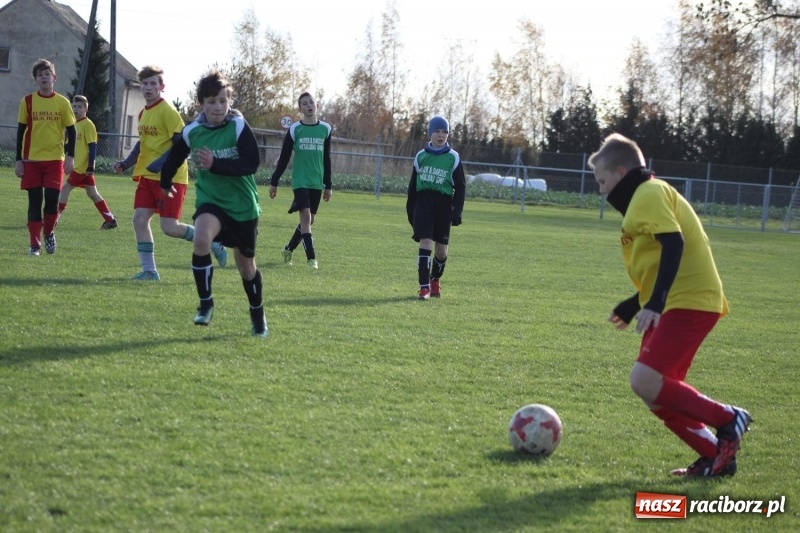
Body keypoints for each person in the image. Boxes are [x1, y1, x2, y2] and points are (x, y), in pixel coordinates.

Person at [588, 133, 752, 477]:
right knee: (655, 393)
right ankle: (715, 456)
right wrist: (637, 302)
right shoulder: (647, 194)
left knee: (644, 379)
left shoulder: (647, 192)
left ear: (621, 172)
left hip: (687, 300)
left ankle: (728, 419)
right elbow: (661, 255)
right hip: (676, 299)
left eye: (602, 181)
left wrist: (657, 302)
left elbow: (673, 244)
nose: (601, 190)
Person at [160, 70, 268, 338]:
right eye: (211, 102)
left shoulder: (239, 126)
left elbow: (252, 163)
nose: (218, 107)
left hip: (243, 206)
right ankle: (206, 303)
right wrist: (165, 180)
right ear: (202, 104)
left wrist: (216, 164)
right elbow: (175, 156)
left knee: (246, 267)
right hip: (212, 201)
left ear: (229, 101)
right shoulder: (193, 131)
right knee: (201, 240)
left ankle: (257, 315)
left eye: (222, 101)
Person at [113, 65, 227, 281]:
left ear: (161, 87)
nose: (148, 87)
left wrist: (161, 166)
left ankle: (214, 243)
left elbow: (180, 145)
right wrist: (126, 163)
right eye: (145, 83)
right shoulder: (143, 113)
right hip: (147, 177)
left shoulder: (168, 112)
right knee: (139, 219)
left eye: (153, 83)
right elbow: (142, 144)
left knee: (170, 227)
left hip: (170, 178)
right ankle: (149, 271)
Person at [14, 58, 76, 256]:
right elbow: (20, 131)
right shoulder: (28, 101)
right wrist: (18, 160)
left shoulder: (63, 102)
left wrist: (70, 156)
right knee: (34, 202)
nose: (44, 77)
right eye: (40, 75)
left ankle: (48, 232)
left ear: (54, 78)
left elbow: (72, 131)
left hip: (54, 160)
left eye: (47, 74)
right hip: (31, 160)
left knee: (51, 202)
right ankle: (34, 245)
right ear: (36, 80)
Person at [269, 92, 332, 269]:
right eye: (304, 103)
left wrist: (328, 185)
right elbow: (284, 157)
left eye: (311, 102)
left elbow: (327, 159)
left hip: (316, 182)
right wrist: (275, 181)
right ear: (300, 109)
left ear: (317, 105)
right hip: (300, 181)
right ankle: (311, 259)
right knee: (305, 218)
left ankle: (288, 249)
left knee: (310, 221)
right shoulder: (295, 129)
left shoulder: (325, 129)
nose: (309, 105)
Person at [406, 116, 466, 300]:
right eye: (437, 131)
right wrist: (411, 210)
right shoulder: (421, 156)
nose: (441, 135)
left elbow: (461, 186)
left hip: (443, 205)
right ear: (430, 133)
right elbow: (412, 186)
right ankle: (424, 288)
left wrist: (457, 211)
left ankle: (435, 279)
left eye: (444, 131)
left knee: (441, 252)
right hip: (424, 203)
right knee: (425, 243)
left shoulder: (453, 157)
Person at [57, 95, 118, 230]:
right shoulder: (74, 125)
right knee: (93, 193)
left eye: (80, 106)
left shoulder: (88, 124)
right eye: (74, 106)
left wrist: (91, 165)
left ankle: (54, 219)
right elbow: (68, 146)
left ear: (86, 108)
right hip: (79, 167)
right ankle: (110, 219)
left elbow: (93, 146)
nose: (76, 109)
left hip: (82, 167)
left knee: (65, 189)